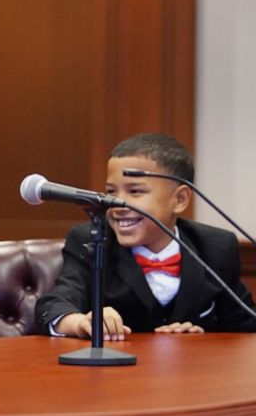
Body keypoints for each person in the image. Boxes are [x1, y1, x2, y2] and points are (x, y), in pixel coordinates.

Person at [36, 133, 256, 339]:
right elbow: (56, 302)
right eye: (111, 191)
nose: (117, 203)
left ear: (180, 199)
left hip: (193, 374)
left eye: (135, 191)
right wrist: (78, 321)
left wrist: (202, 337)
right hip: (114, 375)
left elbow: (245, 326)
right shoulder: (91, 239)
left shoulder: (216, 247)